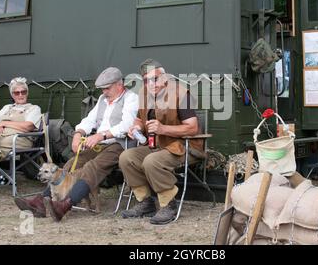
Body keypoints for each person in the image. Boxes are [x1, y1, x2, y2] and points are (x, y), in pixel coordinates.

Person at [14, 67, 138, 221]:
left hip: (120, 144)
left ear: (120, 85)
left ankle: (66, 204)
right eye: (102, 89)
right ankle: (42, 201)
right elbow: (89, 120)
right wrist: (78, 134)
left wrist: (101, 135)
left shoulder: (131, 98)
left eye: (107, 88)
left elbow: (127, 125)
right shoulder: (102, 100)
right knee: (72, 163)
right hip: (100, 142)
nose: (104, 92)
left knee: (91, 167)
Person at [119, 59, 203, 225]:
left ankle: (168, 205)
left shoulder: (180, 94)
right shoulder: (144, 93)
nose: (151, 84)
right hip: (156, 145)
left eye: (155, 79)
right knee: (126, 157)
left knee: (152, 161)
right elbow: (139, 119)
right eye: (146, 80)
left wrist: (163, 129)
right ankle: (145, 202)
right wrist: (135, 127)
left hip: (183, 147)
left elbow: (192, 128)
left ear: (165, 78)